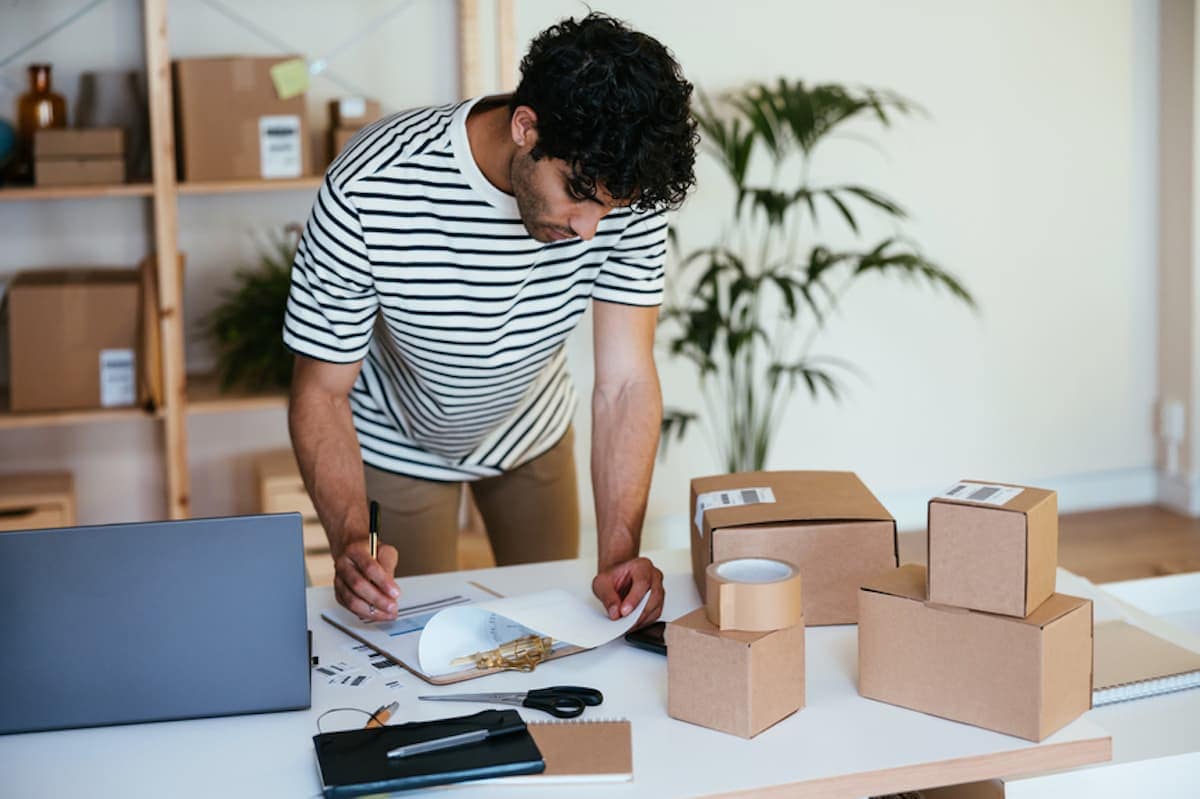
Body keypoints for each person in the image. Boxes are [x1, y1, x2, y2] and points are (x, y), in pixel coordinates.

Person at [284, 12, 697, 630]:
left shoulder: (619, 186)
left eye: (611, 211)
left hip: (532, 429)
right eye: (577, 195)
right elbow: (321, 390)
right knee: (403, 634)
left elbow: (626, 382)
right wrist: (350, 539)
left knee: (559, 633)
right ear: (526, 127)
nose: (590, 230)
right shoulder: (373, 183)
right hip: (398, 440)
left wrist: (619, 553)